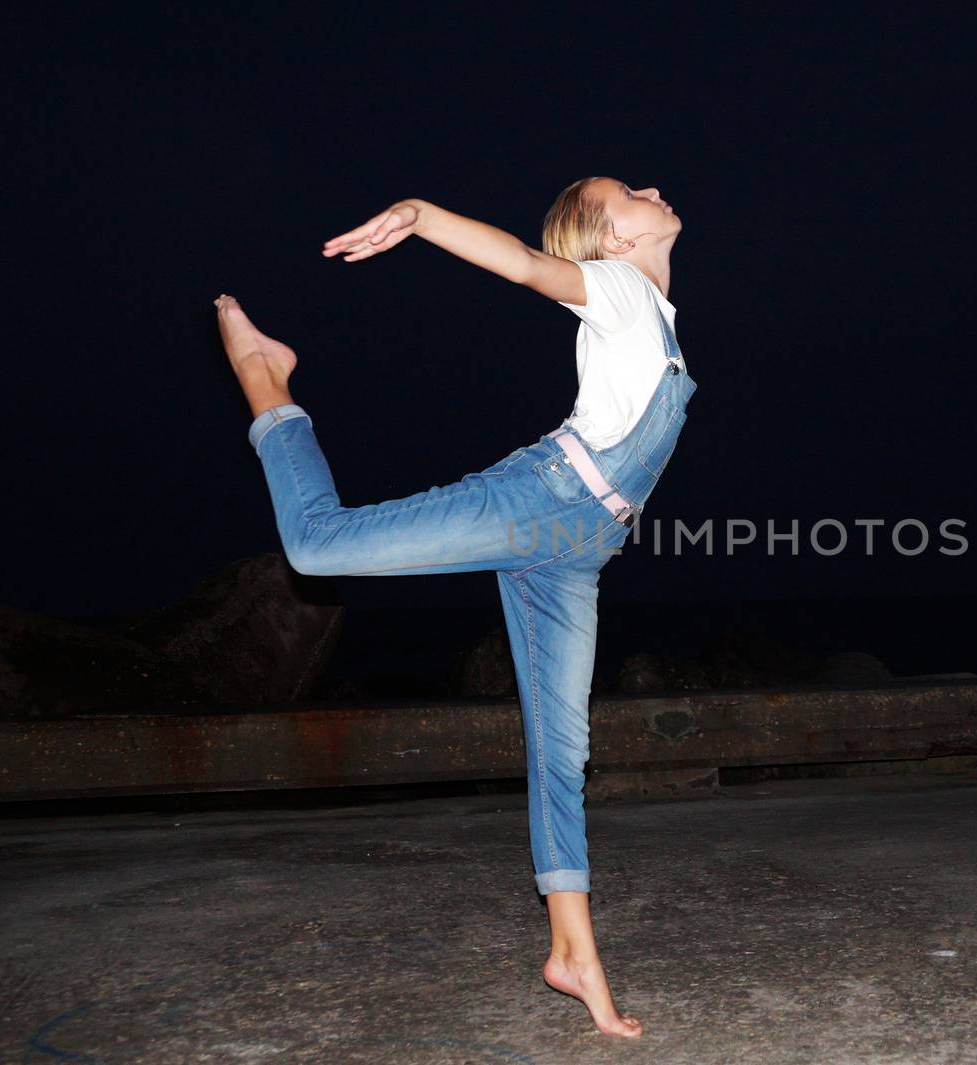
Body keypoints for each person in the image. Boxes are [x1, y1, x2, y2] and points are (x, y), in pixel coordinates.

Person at [212, 176, 694, 1038]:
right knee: (319, 545)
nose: (651, 187)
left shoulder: (652, 312)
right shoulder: (618, 291)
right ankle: (265, 378)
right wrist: (423, 216)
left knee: (562, 749)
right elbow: (522, 265)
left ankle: (573, 954)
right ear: (613, 241)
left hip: (578, 549)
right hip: (544, 501)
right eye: (628, 191)